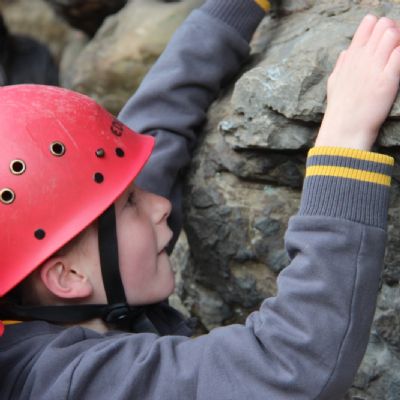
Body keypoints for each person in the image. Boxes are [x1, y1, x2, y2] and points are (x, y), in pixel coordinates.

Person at [0, 0, 398, 398]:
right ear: (67, 277)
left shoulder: (79, 270)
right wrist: (344, 138)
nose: (161, 206)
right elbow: (288, 365)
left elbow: (159, 124)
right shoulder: (68, 385)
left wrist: (238, 8)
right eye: (132, 203)